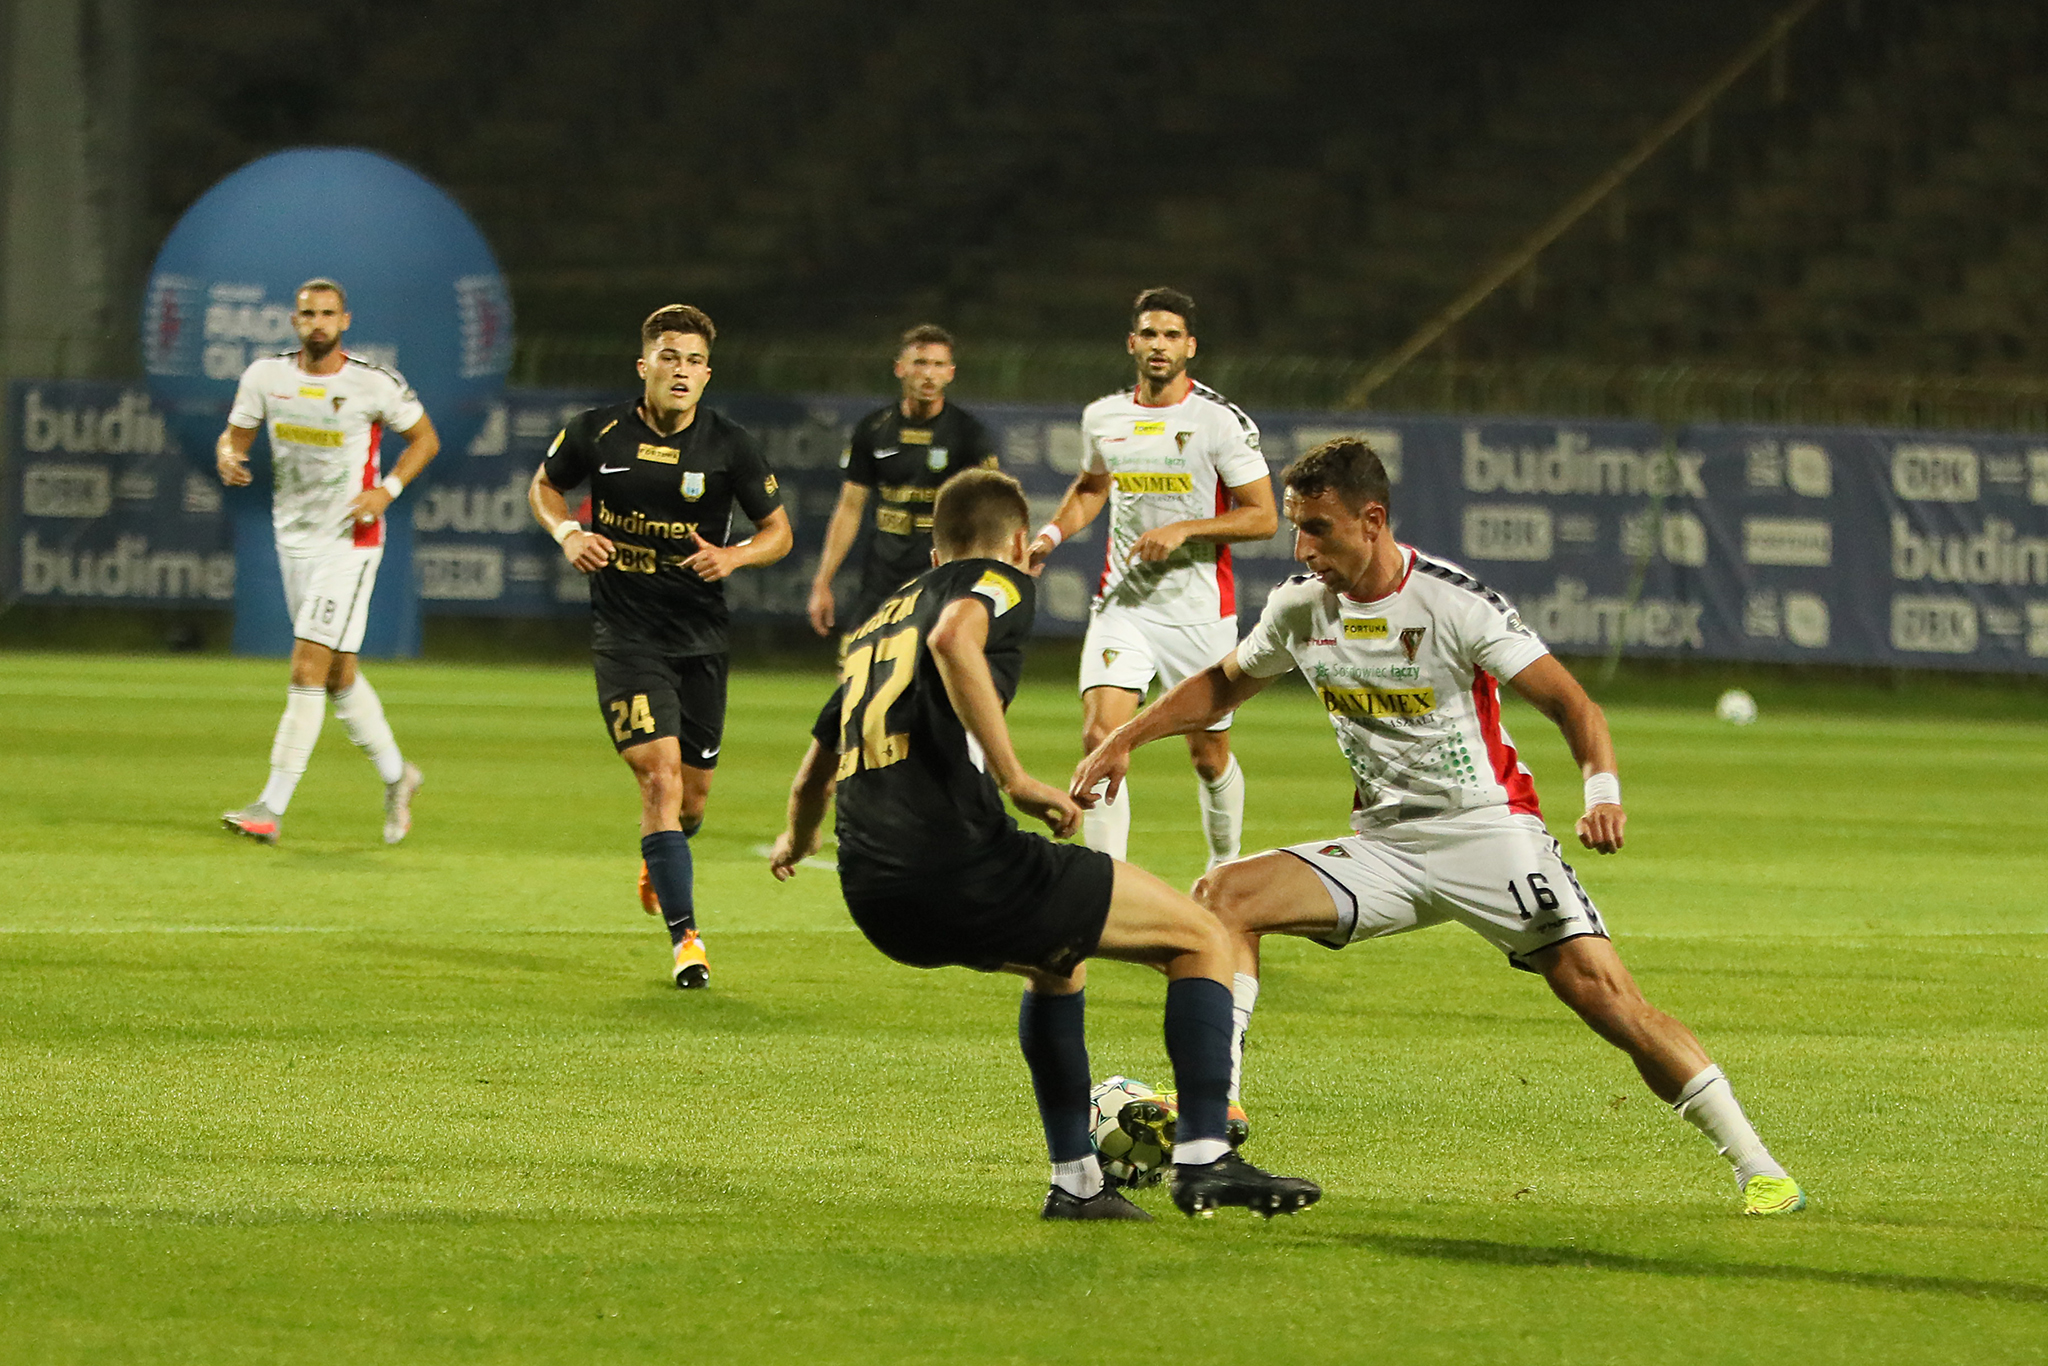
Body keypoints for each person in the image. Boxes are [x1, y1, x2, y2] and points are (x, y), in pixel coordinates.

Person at [1072, 437, 1807, 1217]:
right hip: (1386, 846)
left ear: (1372, 521)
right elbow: (1222, 684)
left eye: (1318, 529)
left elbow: (1571, 703)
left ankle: (1759, 1167)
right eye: (1296, 529)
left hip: (1488, 833)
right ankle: (1217, 1114)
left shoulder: (1454, 604)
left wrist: (1602, 792)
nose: (1302, 549)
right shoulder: (1299, 607)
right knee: (1224, 897)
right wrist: (1124, 740)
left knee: (1607, 1000)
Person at [770, 469, 1319, 1221]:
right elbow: (955, 636)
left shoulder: (877, 627)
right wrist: (1017, 779)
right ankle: (1204, 1156)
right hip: (960, 863)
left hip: (872, 891)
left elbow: (813, 774)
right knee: (1202, 938)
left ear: (932, 553)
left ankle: (1079, 1185)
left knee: (1058, 965)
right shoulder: (999, 579)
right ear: (1021, 542)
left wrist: (797, 840)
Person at [528, 304, 793, 989]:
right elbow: (545, 486)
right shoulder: (596, 431)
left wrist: (734, 557)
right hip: (626, 635)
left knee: (692, 800)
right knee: (659, 778)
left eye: (694, 361)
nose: (681, 371)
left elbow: (779, 532)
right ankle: (687, 940)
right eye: (669, 357)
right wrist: (568, 534)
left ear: (707, 374)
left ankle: (661, 854)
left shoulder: (730, 445)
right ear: (644, 364)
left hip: (700, 636)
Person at [1026, 288, 1275, 873]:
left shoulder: (1219, 422)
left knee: (1209, 755)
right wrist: (1049, 537)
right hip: (1124, 605)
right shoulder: (1104, 416)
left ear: (1190, 347)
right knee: (1100, 736)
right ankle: (1108, 886)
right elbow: (1092, 486)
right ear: (1132, 343)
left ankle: (1223, 868)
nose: (1159, 345)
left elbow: (1263, 516)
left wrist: (1187, 529)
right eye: (1149, 334)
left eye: (1171, 335)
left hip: (1198, 612)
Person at [217, 278, 438, 846]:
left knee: (306, 667)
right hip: (294, 540)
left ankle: (270, 806)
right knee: (338, 675)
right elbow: (234, 438)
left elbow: (424, 439)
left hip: (350, 541)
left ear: (345, 321)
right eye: (308, 314)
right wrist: (229, 457)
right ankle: (399, 775)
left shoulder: (372, 382)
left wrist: (386, 491)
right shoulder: (266, 377)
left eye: (327, 314)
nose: (318, 323)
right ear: (295, 322)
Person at [806, 324, 998, 644]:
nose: (929, 375)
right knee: (855, 663)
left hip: (940, 575)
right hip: (882, 576)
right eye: (920, 363)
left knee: (928, 666)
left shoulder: (968, 434)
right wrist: (822, 582)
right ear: (900, 369)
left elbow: (993, 509)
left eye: (938, 365)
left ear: (950, 373)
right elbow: (849, 508)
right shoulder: (873, 429)